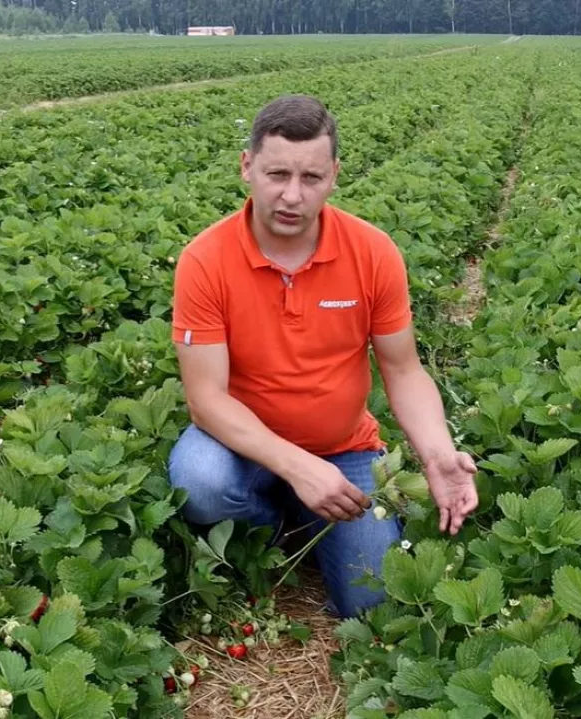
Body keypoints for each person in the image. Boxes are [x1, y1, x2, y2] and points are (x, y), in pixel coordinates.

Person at [166, 94, 479, 619]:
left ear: (334, 175)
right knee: (200, 481)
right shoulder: (206, 260)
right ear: (247, 167)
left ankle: (314, 512)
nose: (292, 195)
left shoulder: (372, 252)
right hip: (242, 448)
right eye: (277, 174)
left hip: (342, 449)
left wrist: (438, 455)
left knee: (374, 601)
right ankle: (279, 521)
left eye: (311, 178)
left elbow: (403, 371)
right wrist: (298, 468)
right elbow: (205, 401)